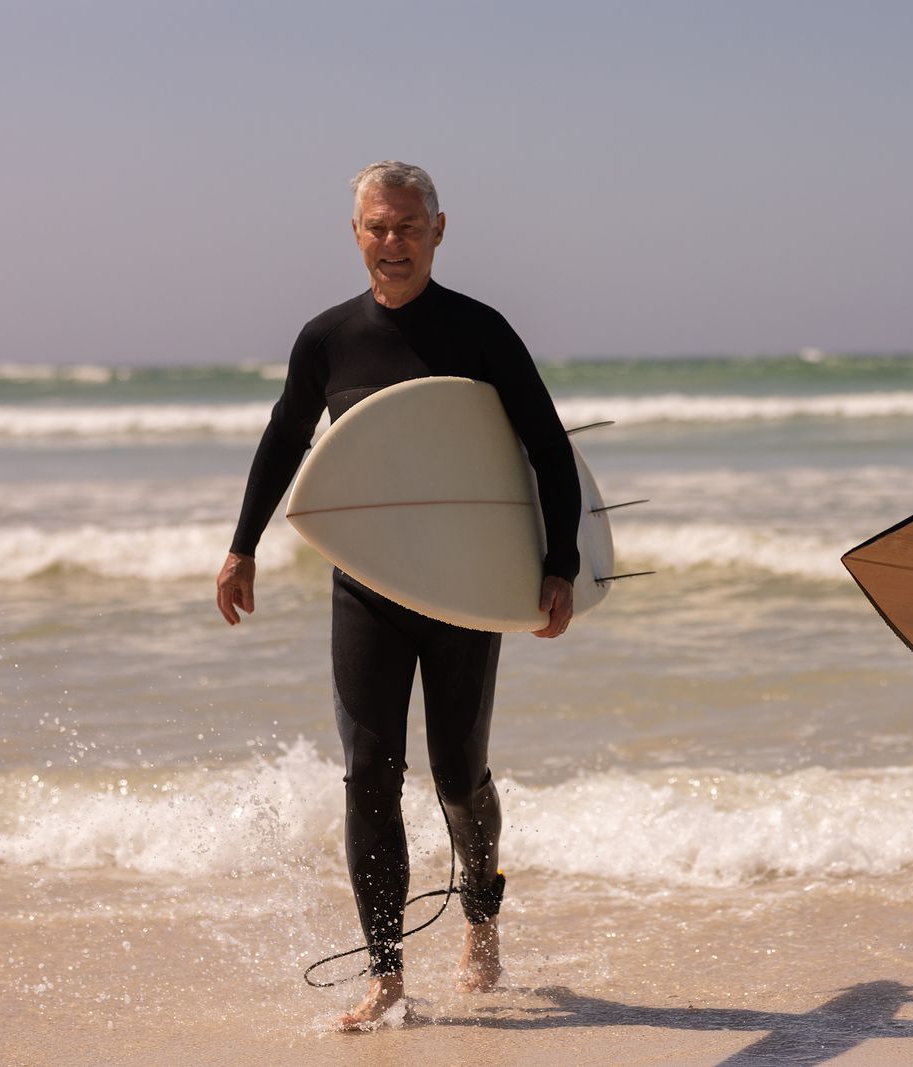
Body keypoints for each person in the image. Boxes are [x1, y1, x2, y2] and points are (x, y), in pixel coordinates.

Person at [215, 161, 581, 1030]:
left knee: (459, 772)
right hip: (368, 589)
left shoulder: (480, 331)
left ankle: (481, 918)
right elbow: (284, 440)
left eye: (409, 226)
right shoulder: (328, 338)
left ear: (439, 230)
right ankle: (386, 973)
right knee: (368, 775)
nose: (393, 242)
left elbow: (547, 448)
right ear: (356, 233)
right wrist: (242, 545)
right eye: (378, 227)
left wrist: (557, 564)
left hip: (463, 587)